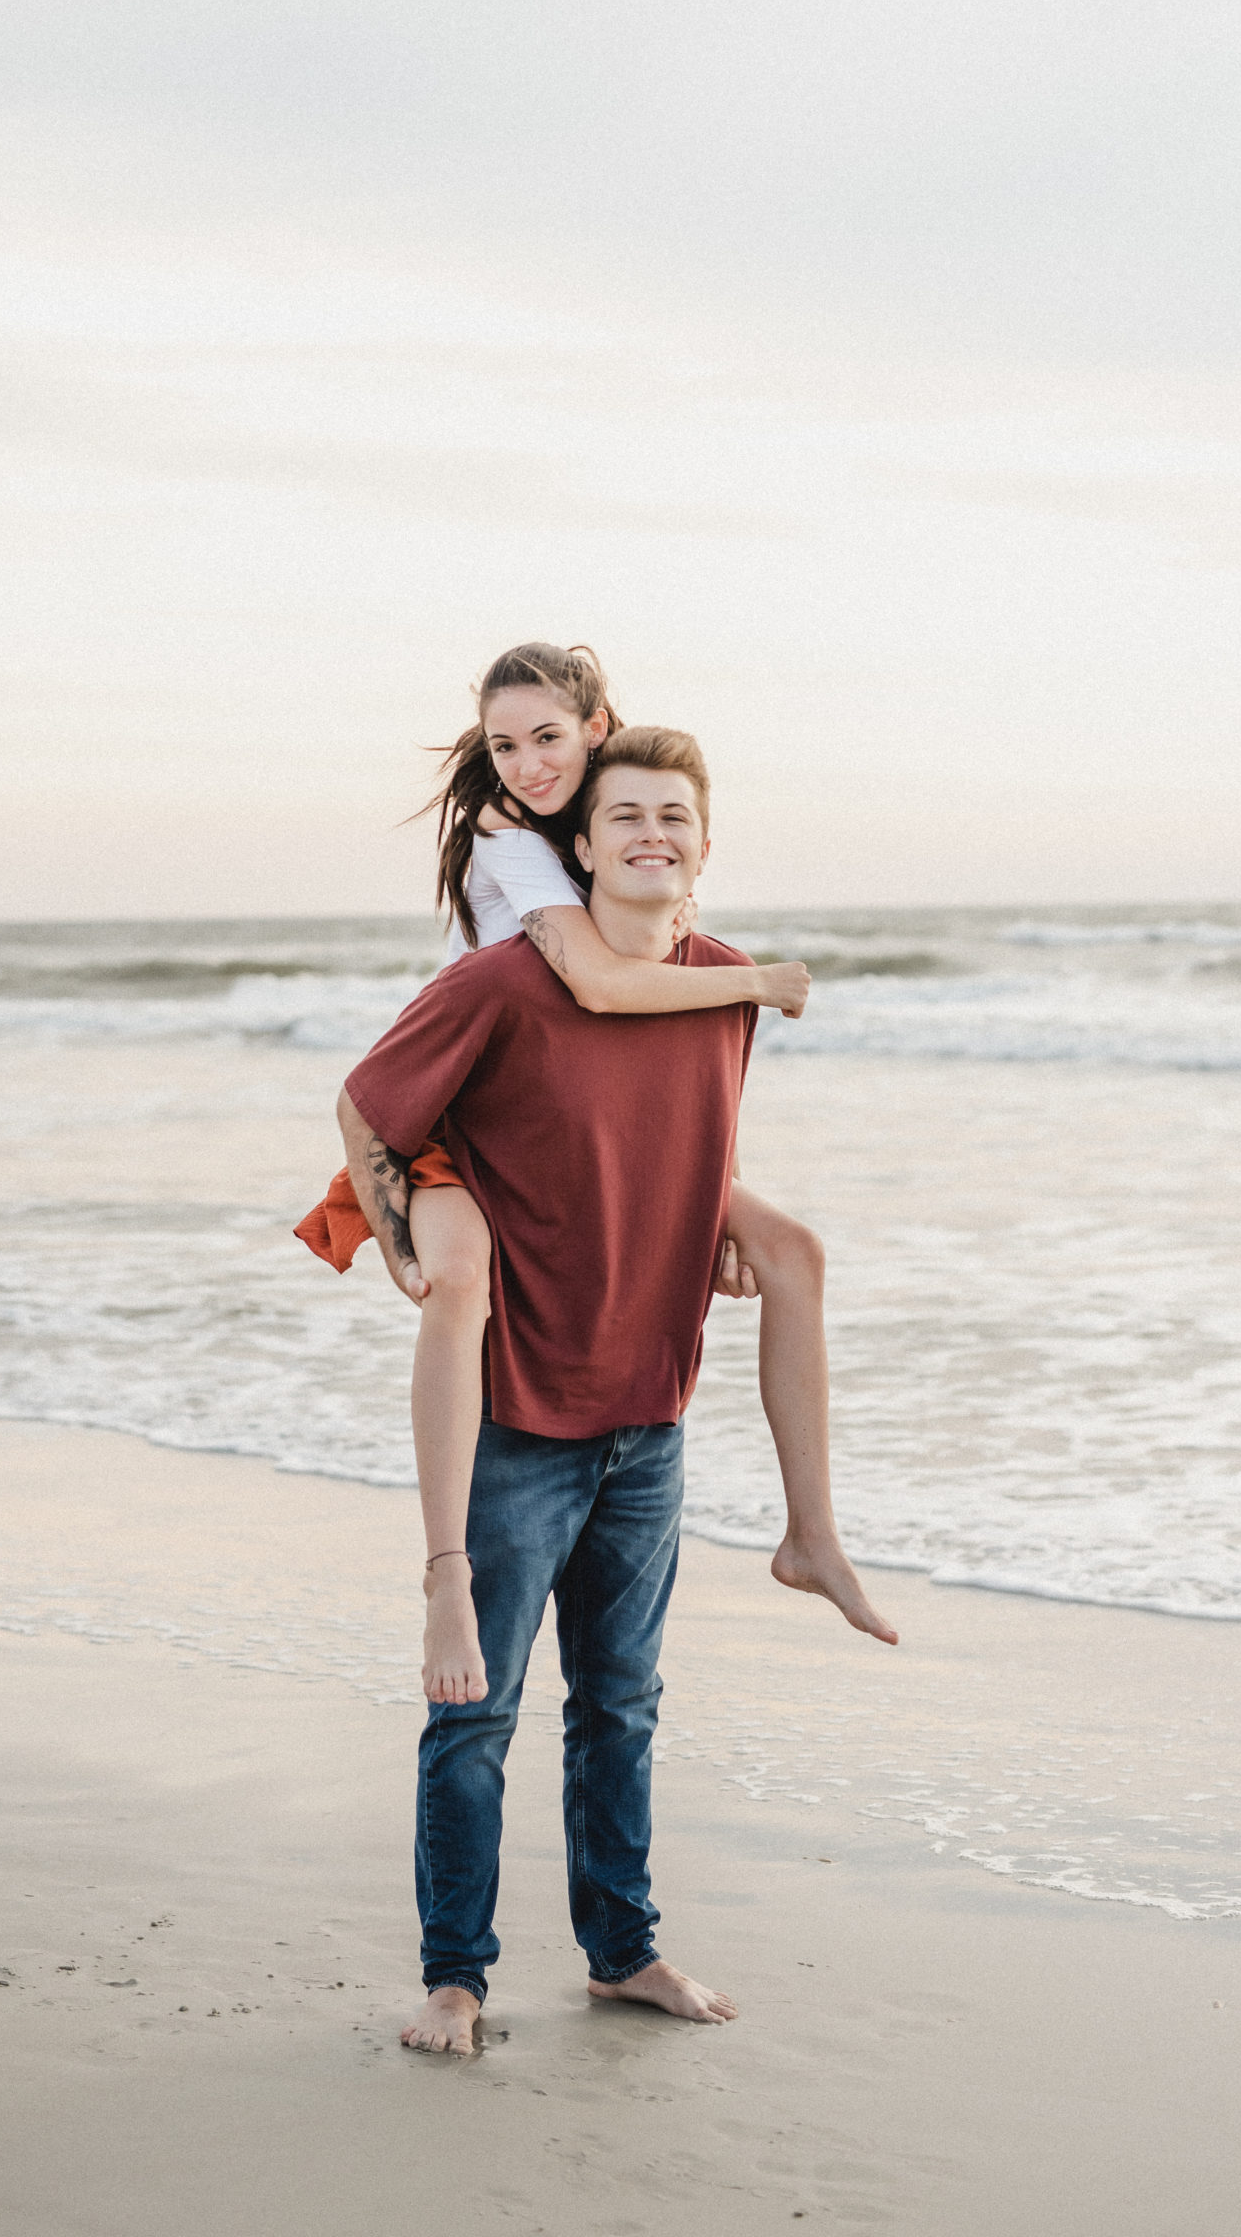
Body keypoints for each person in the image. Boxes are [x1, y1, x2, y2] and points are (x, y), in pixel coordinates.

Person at [318, 642, 896, 1715]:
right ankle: (446, 1568)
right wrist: (757, 980)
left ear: (594, 727)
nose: (526, 764)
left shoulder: (617, 826)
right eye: (503, 746)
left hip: (597, 1128)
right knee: (456, 1284)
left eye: (547, 738)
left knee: (793, 1252)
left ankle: (810, 1532)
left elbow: (657, 1062)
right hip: (468, 1123)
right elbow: (594, 983)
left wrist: (709, 1193)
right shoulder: (512, 837)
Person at [338, 728, 806, 2052]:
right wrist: (406, 1243)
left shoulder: (721, 985)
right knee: (473, 1712)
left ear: (704, 850)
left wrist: (703, 1230)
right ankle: (454, 1981)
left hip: (646, 1416)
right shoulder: (499, 985)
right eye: (627, 817)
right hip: (518, 1419)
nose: (653, 833)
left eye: (677, 816)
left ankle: (623, 1952)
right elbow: (371, 1104)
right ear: (580, 848)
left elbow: (668, 1140)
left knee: (622, 1704)